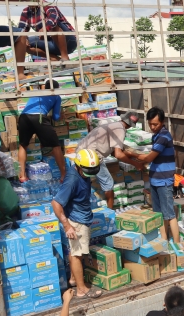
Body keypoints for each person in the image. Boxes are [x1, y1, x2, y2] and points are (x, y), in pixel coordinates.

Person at [52, 149, 103, 298]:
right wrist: (67, 226)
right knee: (77, 255)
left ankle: (74, 279)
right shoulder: (72, 180)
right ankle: (81, 289)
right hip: (76, 222)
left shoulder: (82, 173)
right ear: (78, 166)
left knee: (75, 252)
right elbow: (56, 203)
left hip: (83, 218)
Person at [127, 107, 179, 242]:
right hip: (155, 179)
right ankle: (164, 241)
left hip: (164, 180)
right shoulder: (156, 136)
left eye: (155, 124)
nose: (152, 127)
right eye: (150, 124)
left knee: (169, 214)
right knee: (159, 214)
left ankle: (178, 244)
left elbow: (149, 158)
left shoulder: (163, 137)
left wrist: (131, 153)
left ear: (162, 122)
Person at [77, 112, 145, 210]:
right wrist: (136, 164)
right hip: (92, 156)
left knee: (83, 180)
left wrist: (133, 155)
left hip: (81, 153)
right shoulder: (120, 130)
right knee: (108, 184)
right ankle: (110, 211)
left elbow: (114, 152)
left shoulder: (112, 125)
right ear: (131, 126)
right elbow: (118, 154)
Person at [18, 79, 66, 182]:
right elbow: (56, 117)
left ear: (45, 86)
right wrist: (61, 116)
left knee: (23, 145)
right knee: (56, 145)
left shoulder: (37, 92)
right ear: (56, 89)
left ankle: (22, 176)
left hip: (24, 117)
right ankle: (64, 175)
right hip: (38, 118)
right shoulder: (56, 96)